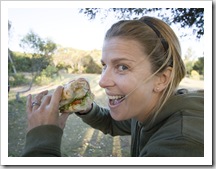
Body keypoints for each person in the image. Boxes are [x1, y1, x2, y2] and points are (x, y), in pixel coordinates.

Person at [22, 16, 204, 157]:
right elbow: (112, 123)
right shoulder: (146, 108)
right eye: (104, 65)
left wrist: (42, 139)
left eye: (122, 67)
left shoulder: (183, 143)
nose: (102, 81)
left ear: (162, 79)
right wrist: (86, 108)